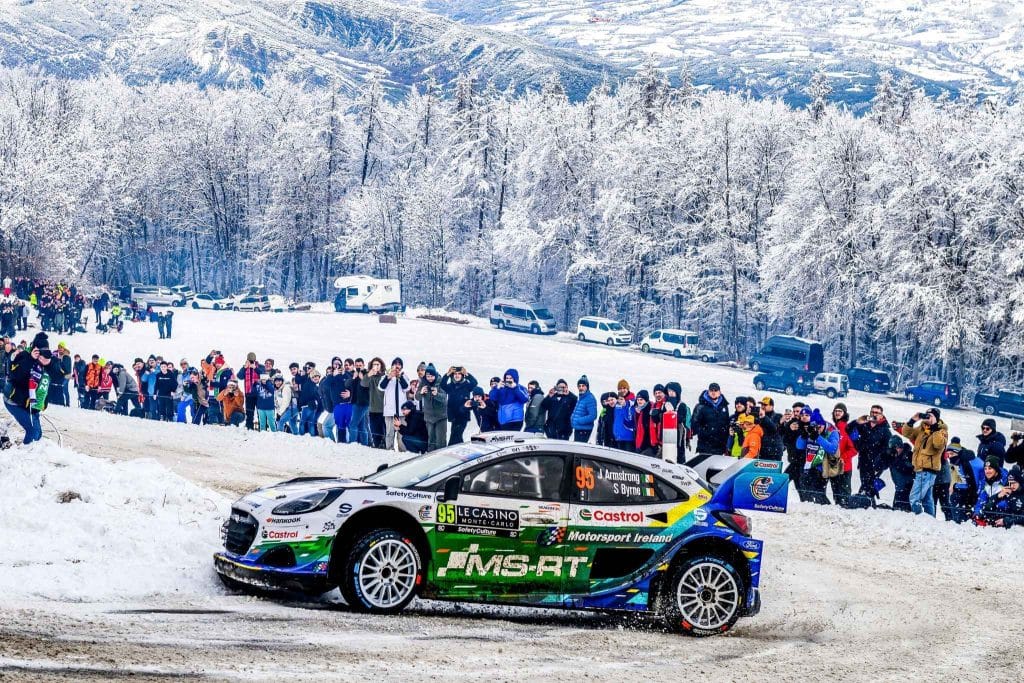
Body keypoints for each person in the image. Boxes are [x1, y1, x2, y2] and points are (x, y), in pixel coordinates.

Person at [3, 333, 61, 443]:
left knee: (38, 434)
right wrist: (30, 359)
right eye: (39, 350)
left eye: (45, 350)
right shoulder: (24, 355)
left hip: (33, 404)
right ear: (34, 348)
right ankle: (24, 456)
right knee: (32, 431)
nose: (42, 353)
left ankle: (31, 453)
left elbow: (59, 378)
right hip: (14, 400)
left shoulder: (50, 360)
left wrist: (48, 364)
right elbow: (14, 375)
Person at [900, 408, 949, 516]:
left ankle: (918, 518)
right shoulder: (923, 428)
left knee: (914, 498)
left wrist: (934, 426)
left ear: (936, 418)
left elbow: (938, 445)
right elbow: (906, 433)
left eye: (930, 415)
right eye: (926, 415)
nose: (927, 417)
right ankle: (929, 521)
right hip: (920, 469)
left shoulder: (942, 431)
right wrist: (913, 420)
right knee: (927, 500)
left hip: (927, 470)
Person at [846, 405, 892, 499]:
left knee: (868, 487)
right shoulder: (864, 425)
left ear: (881, 415)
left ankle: (864, 502)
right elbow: (847, 429)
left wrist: (882, 465)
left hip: (876, 463)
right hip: (863, 460)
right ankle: (867, 504)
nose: (874, 414)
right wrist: (857, 422)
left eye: (876, 413)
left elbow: (888, 451)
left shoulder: (885, 430)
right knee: (865, 484)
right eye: (872, 412)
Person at [797, 408, 840, 505]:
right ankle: (810, 507)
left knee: (818, 492)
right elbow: (799, 446)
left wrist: (817, 437)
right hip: (811, 464)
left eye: (819, 427)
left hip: (825, 465)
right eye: (816, 427)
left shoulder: (832, 431)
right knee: (805, 488)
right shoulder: (811, 428)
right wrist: (804, 436)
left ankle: (828, 509)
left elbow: (832, 448)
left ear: (823, 424)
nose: (818, 429)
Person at [828, 403, 857, 506]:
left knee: (844, 495)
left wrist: (842, 457)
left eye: (840, 411)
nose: (837, 413)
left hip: (844, 467)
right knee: (836, 494)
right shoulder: (832, 428)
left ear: (844, 413)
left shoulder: (848, 429)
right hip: (832, 466)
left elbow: (854, 449)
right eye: (836, 411)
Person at [440, 365, 477, 445]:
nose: (457, 375)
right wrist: (448, 374)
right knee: (456, 436)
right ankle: (461, 451)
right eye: (455, 374)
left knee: (455, 435)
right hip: (453, 416)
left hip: (463, 415)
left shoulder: (467, 385)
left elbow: (474, 383)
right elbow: (442, 385)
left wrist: (467, 374)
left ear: (462, 375)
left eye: (459, 374)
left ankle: (450, 450)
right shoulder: (450, 386)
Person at [691, 383, 730, 456]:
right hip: (705, 445)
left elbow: (726, 423)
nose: (713, 392)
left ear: (719, 392)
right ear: (708, 391)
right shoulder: (700, 406)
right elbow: (694, 423)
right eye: (711, 390)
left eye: (716, 390)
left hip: (720, 446)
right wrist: (704, 432)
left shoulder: (724, 407)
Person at [948, 441, 982, 523]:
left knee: (964, 520)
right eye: (948, 454)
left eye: (952, 454)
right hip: (963, 491)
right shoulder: (959, 461)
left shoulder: (969, 463)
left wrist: (970, 503)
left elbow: (974, 484)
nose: (949, 456)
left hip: (972, 494)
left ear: (957, 453)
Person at [379, 358, 409, 449]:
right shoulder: (386, 376)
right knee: (389, 433)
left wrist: (400, 377)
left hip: (401, 412)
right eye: (395, 364)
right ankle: (389, 450)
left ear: (402, 366)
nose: (397, 365)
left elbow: (406, 388)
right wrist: (389, 377)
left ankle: (403, 451)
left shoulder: (405, 376)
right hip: (389, 411)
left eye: (399, 364)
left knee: (402, 434)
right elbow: (381, 387)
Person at [418, 364, 447, 451]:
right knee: (431, 440)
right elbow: (417, 397)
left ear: (435, 375)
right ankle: (431, 457)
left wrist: (436, 394)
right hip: (429, 417)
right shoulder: (423, 383)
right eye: (428, 376)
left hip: (440, 417)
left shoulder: (441, 382)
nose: (430, 378)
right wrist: (421, 392)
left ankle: (442, 458)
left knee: (440, 441)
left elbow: (444, 398)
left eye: (432, 376)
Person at [888, 435, 915, 512]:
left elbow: (912, 470)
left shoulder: (910, 455)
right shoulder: (892, 456)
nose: (896, 450)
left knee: (907, 513)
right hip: (899, 488)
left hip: (909, 489)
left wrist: (897, 463)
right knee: (896, 512)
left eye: (896, 448)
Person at [364, 357, 387, 448]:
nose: (376, 366)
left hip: (384, 410)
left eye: (378, 364)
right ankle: (377, 447)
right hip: (373, 409)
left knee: (385, 434)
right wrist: (369, 375)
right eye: (374, 364)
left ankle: (385, 447)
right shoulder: (369, 377)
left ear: (381, 366)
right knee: (375, 433)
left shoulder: (385, 377)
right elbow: (363, 384)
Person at [240, 353, 263, 431]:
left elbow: (264, 374)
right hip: (249, 393)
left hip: (259, 394)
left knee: (260, 412)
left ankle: (262, 427)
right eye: (250, 360)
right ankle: (249, 427)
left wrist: (255, 368)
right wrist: (244, 367)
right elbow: (239, 376)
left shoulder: (260, 366)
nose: (251, 361)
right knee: (249, 412)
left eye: (252, 360)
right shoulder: (245, 367)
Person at [571, 375, 597, 442]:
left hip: (584, 430)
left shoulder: (590, 398)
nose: (581, 388)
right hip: (579, 428)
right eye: (579, 386)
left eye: (583, 386)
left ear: (587, 387)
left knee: (579, 450)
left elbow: (593, 415)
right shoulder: (582, 398)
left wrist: (578, 420)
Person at [298, 369, 323, 437]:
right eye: (313, 377)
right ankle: (310, 435)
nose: (315, 378)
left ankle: (302, 436)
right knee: (308, 422)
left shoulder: (314, 386)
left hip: (310, 406)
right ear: (311, 378)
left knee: (304, 422)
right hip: (308, 405)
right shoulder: (309, 384)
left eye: (317, 377)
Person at [633, 390, 658, 457]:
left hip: (651, 443)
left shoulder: (652, 407)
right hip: (642, 442)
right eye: (638, 400)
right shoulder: (638, 410)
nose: (639, 401)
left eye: (641, 399)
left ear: (646, 400)